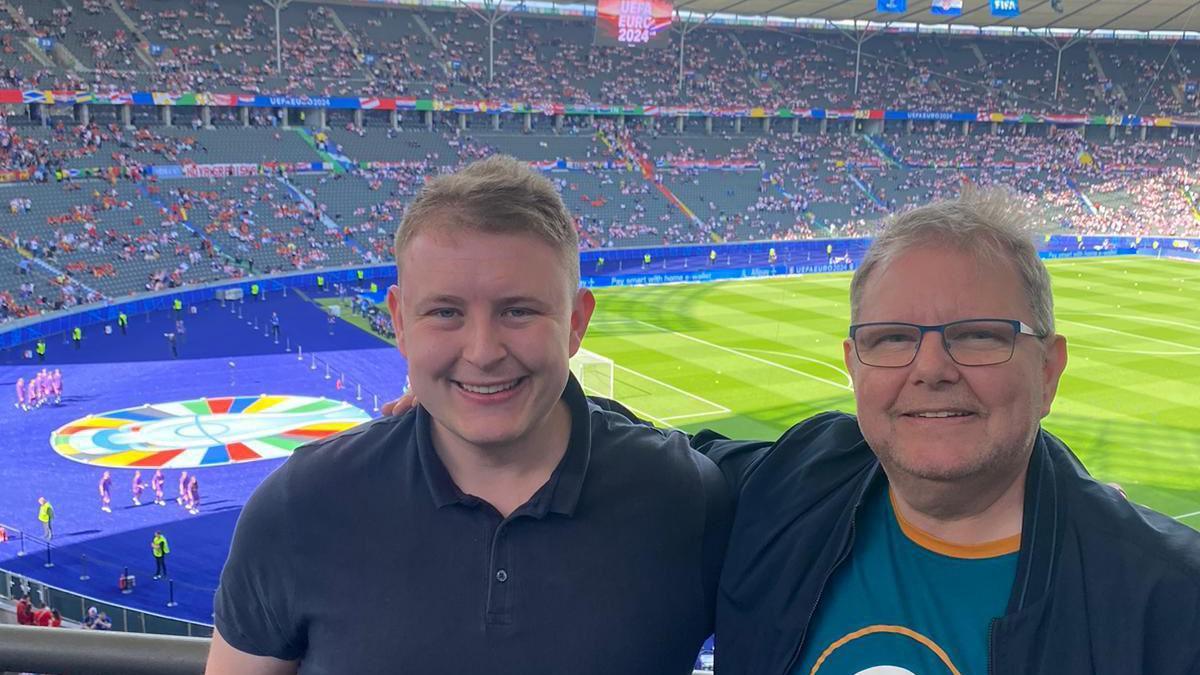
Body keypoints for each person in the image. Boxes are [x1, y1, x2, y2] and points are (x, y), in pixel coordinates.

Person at [208, 156, 731, 675]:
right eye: (445, 313)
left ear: (575, 323)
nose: (483, 351)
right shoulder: (301, 505)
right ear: (400, 323)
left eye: (518, 310)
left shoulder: (684, 496)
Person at [688, 191, 1200, 674]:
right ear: (853, 367)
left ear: (1048, 370)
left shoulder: (1171, 607)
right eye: (890, 338)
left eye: (978, 335)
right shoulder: (784, 484)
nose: (931, 368)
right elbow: (632, 461)